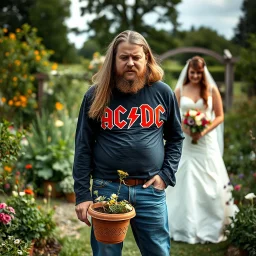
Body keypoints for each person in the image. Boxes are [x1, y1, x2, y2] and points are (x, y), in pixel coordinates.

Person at [73, 30, 184, 256]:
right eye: (124, 58)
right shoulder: (96, 95)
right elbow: (83, 146)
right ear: (113, 60)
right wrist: (83, 195)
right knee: (106, 253)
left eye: (136, 57)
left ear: (147, 59)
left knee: (158, 252)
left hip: (149, 190)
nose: (130, 63)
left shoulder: (163, 93)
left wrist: (165, 175)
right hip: (108, 189)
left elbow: (175, 137)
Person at [166, 56, 238, 244]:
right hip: (186, 142)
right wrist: (186, 129)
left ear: (203, 72)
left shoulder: (211, 90)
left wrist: (203, 130)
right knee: (184, 178)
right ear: (188, 72)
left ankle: (211, 224)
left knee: (211, 179)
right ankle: (183, 227)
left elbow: (220, 116)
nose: (196, 75)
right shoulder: (180, 90)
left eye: (199, 72)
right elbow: (171, 114)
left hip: (206, 142)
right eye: (193, 72)